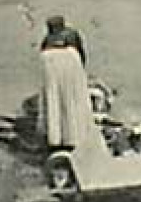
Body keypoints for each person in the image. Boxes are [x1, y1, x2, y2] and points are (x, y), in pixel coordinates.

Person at [38, 14, 97, 152]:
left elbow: (42, 53)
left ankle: (55, 138)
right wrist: (81, 73)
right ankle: (74, 137)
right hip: (71, 61)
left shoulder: (47, 40)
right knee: (73, 100)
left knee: (54, 101)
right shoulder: (72, 34)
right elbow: (82, 54)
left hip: (50, 62)